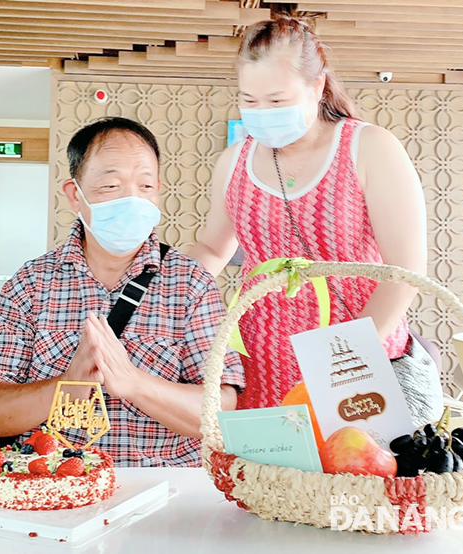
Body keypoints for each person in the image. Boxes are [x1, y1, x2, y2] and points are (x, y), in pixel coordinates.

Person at [187, 16, 443, 424]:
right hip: (262, 356)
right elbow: (213, 248)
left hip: (357, 353)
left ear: (318, 86)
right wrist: (165, 291)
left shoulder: (370, 147)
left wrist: (345, 360)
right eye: (249, 101)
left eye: (276, 100)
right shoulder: (233, 161)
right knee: (269, 482)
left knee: (357, 473)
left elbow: (404, 270)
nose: (261, 113)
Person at [0, 117, 245, 467]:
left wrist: (134, 383)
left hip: (163, 494)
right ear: (74, 195)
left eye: (145, 186)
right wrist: (67, 385)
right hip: (53, 490)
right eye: (111, 186)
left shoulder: (191, 284)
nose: (132, 199)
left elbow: (221, 412)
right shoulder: (32, 283)